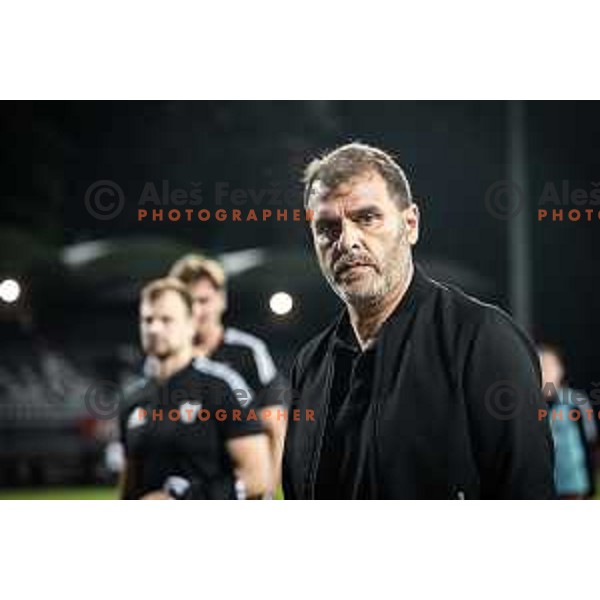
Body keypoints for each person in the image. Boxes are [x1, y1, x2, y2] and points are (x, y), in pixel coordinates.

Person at [283, 142, 554, 499]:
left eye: (367, 218)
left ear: (410, 224)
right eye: (327, 227)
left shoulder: (481, 339)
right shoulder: (310, 364)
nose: (347, 241)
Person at [119, 277, 270, 499]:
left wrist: (183, 499)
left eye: (166, 319)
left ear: (191, 324)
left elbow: (258, 478)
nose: (154, 328)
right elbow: (130, 486)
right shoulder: (132, 399)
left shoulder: (222, 386)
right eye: (147, 320)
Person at [169, 254, 288, 489]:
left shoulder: (247, 352)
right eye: (188, 302)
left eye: (204, 300)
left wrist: (268, 491)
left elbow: (274, 426)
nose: (196, 310)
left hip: (241, 484)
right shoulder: (167, 359)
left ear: (221, 300)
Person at [539, 344, 594, 499]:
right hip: (543, 486)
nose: (546, 371)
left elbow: (590, 441)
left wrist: (589, 485)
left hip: (574, 484)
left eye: (550, 365)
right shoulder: (528, 405)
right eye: (541, 365)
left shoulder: (576, 401)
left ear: (560, 369)